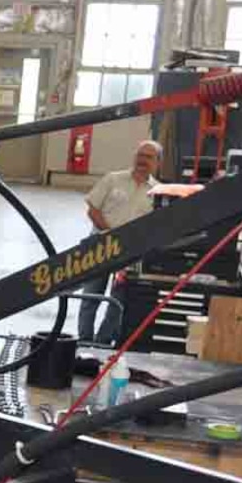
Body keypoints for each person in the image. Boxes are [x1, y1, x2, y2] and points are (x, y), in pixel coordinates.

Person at [74, 139, 161, 344]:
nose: (142, 160)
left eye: (148, 157)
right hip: (100, 246)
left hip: (131, 253)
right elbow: (92, 209)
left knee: (118, 301)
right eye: (140, 155)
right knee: (91, 296)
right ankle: (84, 341)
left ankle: (102, 342)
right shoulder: (113, 179)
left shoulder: (158, 191)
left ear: (158, 162)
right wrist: (112, 235)